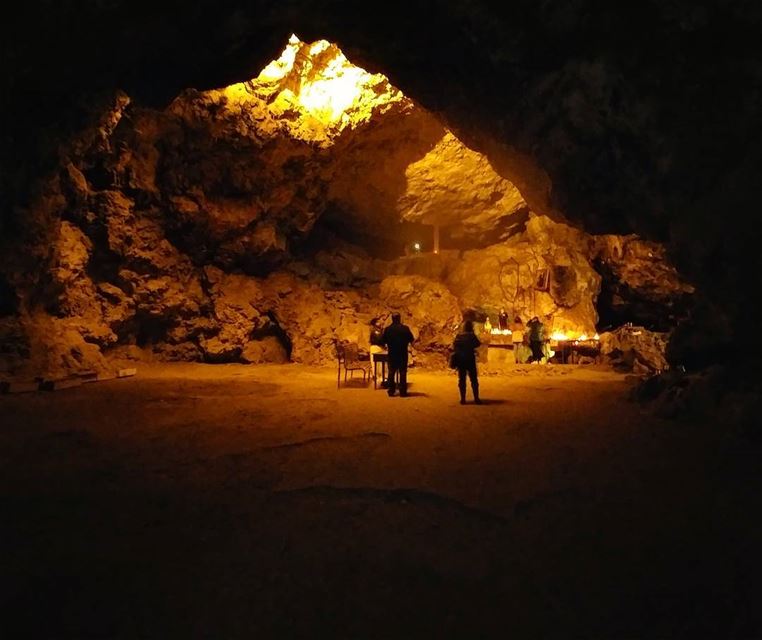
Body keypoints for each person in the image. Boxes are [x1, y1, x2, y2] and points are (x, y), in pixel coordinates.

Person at [381, 312, 415, 397]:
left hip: (392, 353)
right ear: (400, 318)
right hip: (402, 353)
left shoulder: (388, 329)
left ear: (392, 319)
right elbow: (411, 339)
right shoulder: (405, 328)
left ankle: (391, 391)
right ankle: (403, 392)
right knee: (403, 372)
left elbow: (383, 341)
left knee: (391, 372)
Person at [452, 320, 481, 404]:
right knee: (474, 379)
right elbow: (478, 344)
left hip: (461, 360)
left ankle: (463, 399)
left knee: (462, 379)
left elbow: (454, 345)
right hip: (470, 359)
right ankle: (476, 398)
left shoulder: (459, 336)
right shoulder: (471, 336)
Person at [369, 317, 387, 386]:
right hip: (375, 348)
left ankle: (380, 377)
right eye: (378, 322)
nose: (380, 322)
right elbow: (379, 339)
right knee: (375, 364)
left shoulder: (379, 330)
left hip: (379, 348)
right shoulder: (374, 331)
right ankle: (376, 377)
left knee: (380, 365)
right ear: (375, 323)